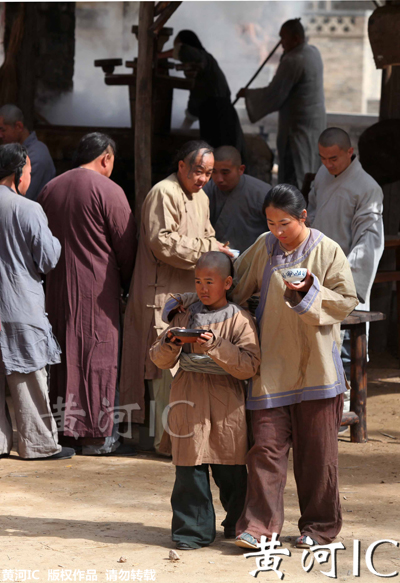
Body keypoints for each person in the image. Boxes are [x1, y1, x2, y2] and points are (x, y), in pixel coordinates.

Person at [227, 184, 358, 549]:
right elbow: (237, 285)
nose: (277, 231)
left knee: (317, 457)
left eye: (284, 223)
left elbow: (347, 301)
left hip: (317, 369)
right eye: (270, 223)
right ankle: (258, 528)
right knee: (265, 451)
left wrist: (310, 290)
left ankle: (320, 529)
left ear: (303, 217)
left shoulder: (327, 250)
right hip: (270, 369)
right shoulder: (265, 246)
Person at [119, 141, 233, 453]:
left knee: (181, 367)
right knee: (162, 368)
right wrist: (207, 249)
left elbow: (207, 234)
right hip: (159, 294)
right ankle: (162, 441)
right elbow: (162, 242)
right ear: (181, 166)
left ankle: (177, 438)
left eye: (208, 173)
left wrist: (215, 248)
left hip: (185, 293)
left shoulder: (201, 197)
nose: (204, 179)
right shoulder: (163, 192)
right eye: (199, 171)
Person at [149, 251, 260, 550]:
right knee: (189, 471)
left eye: (209, 281)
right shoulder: (183, 314)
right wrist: (171, 343)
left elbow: (250, 364)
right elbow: (157, 358)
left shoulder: (240, 319)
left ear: (226, 283)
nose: (202, 288)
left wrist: (216, 345)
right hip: (188, 399)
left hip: (227, 404)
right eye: (198, 281)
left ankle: (239, 525)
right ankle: (192, 532)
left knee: (233, 472)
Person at [38, 133, 137, 455]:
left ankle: (64, 432)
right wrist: (126, 286)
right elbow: (126, 247)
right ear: (106, 158)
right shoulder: (109, 190)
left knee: (63, 357)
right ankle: (97, 436)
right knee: (100, 357)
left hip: (56, 287)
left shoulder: (50, 188)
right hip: (98, 290)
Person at [0, 143, 74, 461]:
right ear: (17, 173)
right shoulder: (27, 209)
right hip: (19, 305)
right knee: (27, 378)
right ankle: (38, 445)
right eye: (29, 171)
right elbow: (47, 258)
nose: (30, 177)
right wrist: (56, 240)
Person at [307, 127, 384, 406]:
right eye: (323, 158)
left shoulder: (367, 188)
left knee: (347, 347)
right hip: (317, 272)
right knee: (316, 345)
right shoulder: (322, 174)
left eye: (334, 159)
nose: (328, 164)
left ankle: (347, 405)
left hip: (344, 277)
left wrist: (346, 285)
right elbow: (312, 211)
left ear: (350, 153)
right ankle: (322, 406)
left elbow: (369, 242)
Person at [237, 19, 325, 189]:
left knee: (297, 174)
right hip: (315, 125)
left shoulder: (293, 61)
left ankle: (296, 209)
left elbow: (274, 94)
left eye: (283, 38)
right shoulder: (313, 52)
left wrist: (248, 94)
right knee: (312, 167)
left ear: (296, 38)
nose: (281, 43)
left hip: (297, 129)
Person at [159, 31, 246, 161]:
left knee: (223, 158)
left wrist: (157, 56)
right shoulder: (203, 75)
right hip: (216, 116)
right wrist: (183, 129)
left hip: (219, 117)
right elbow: (194, 105)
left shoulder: (203, 58)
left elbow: (183, 50)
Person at [204, 145, 271, 253]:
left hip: (254, 259)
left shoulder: (262, 193)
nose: (219, 179)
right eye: (214, 172)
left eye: (225, 173)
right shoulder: (205, 190)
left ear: (241, 169)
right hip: (215, 257)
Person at [0, 104, 56, 201]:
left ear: (18, 126)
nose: (0, 135)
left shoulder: (36, 154)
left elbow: (21, 197)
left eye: (3, 130)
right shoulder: (10, 150)